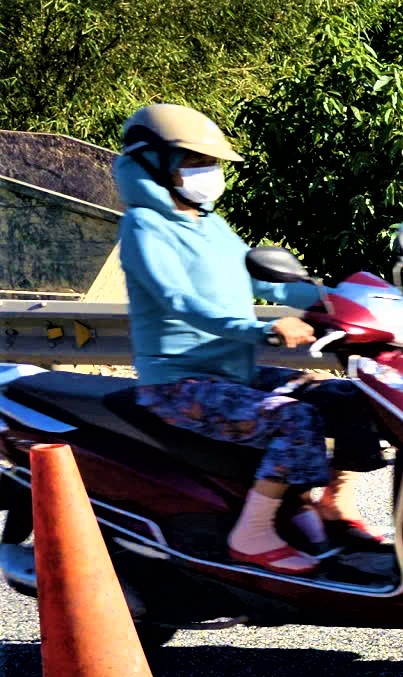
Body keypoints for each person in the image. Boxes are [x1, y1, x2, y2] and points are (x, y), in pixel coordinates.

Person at [114, 104, 386, 574]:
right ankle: (254, 533)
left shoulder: (210, 224)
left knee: (352, 396)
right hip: (179, 384)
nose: (209, 172)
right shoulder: (143, 226)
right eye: (194, 161)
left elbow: (267, 283)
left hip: (233, 374)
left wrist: (336, 298)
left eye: (210, 162)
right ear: (154, 163)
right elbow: (177, 300)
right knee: (293, 420)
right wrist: (260, 329)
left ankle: (332, 504)